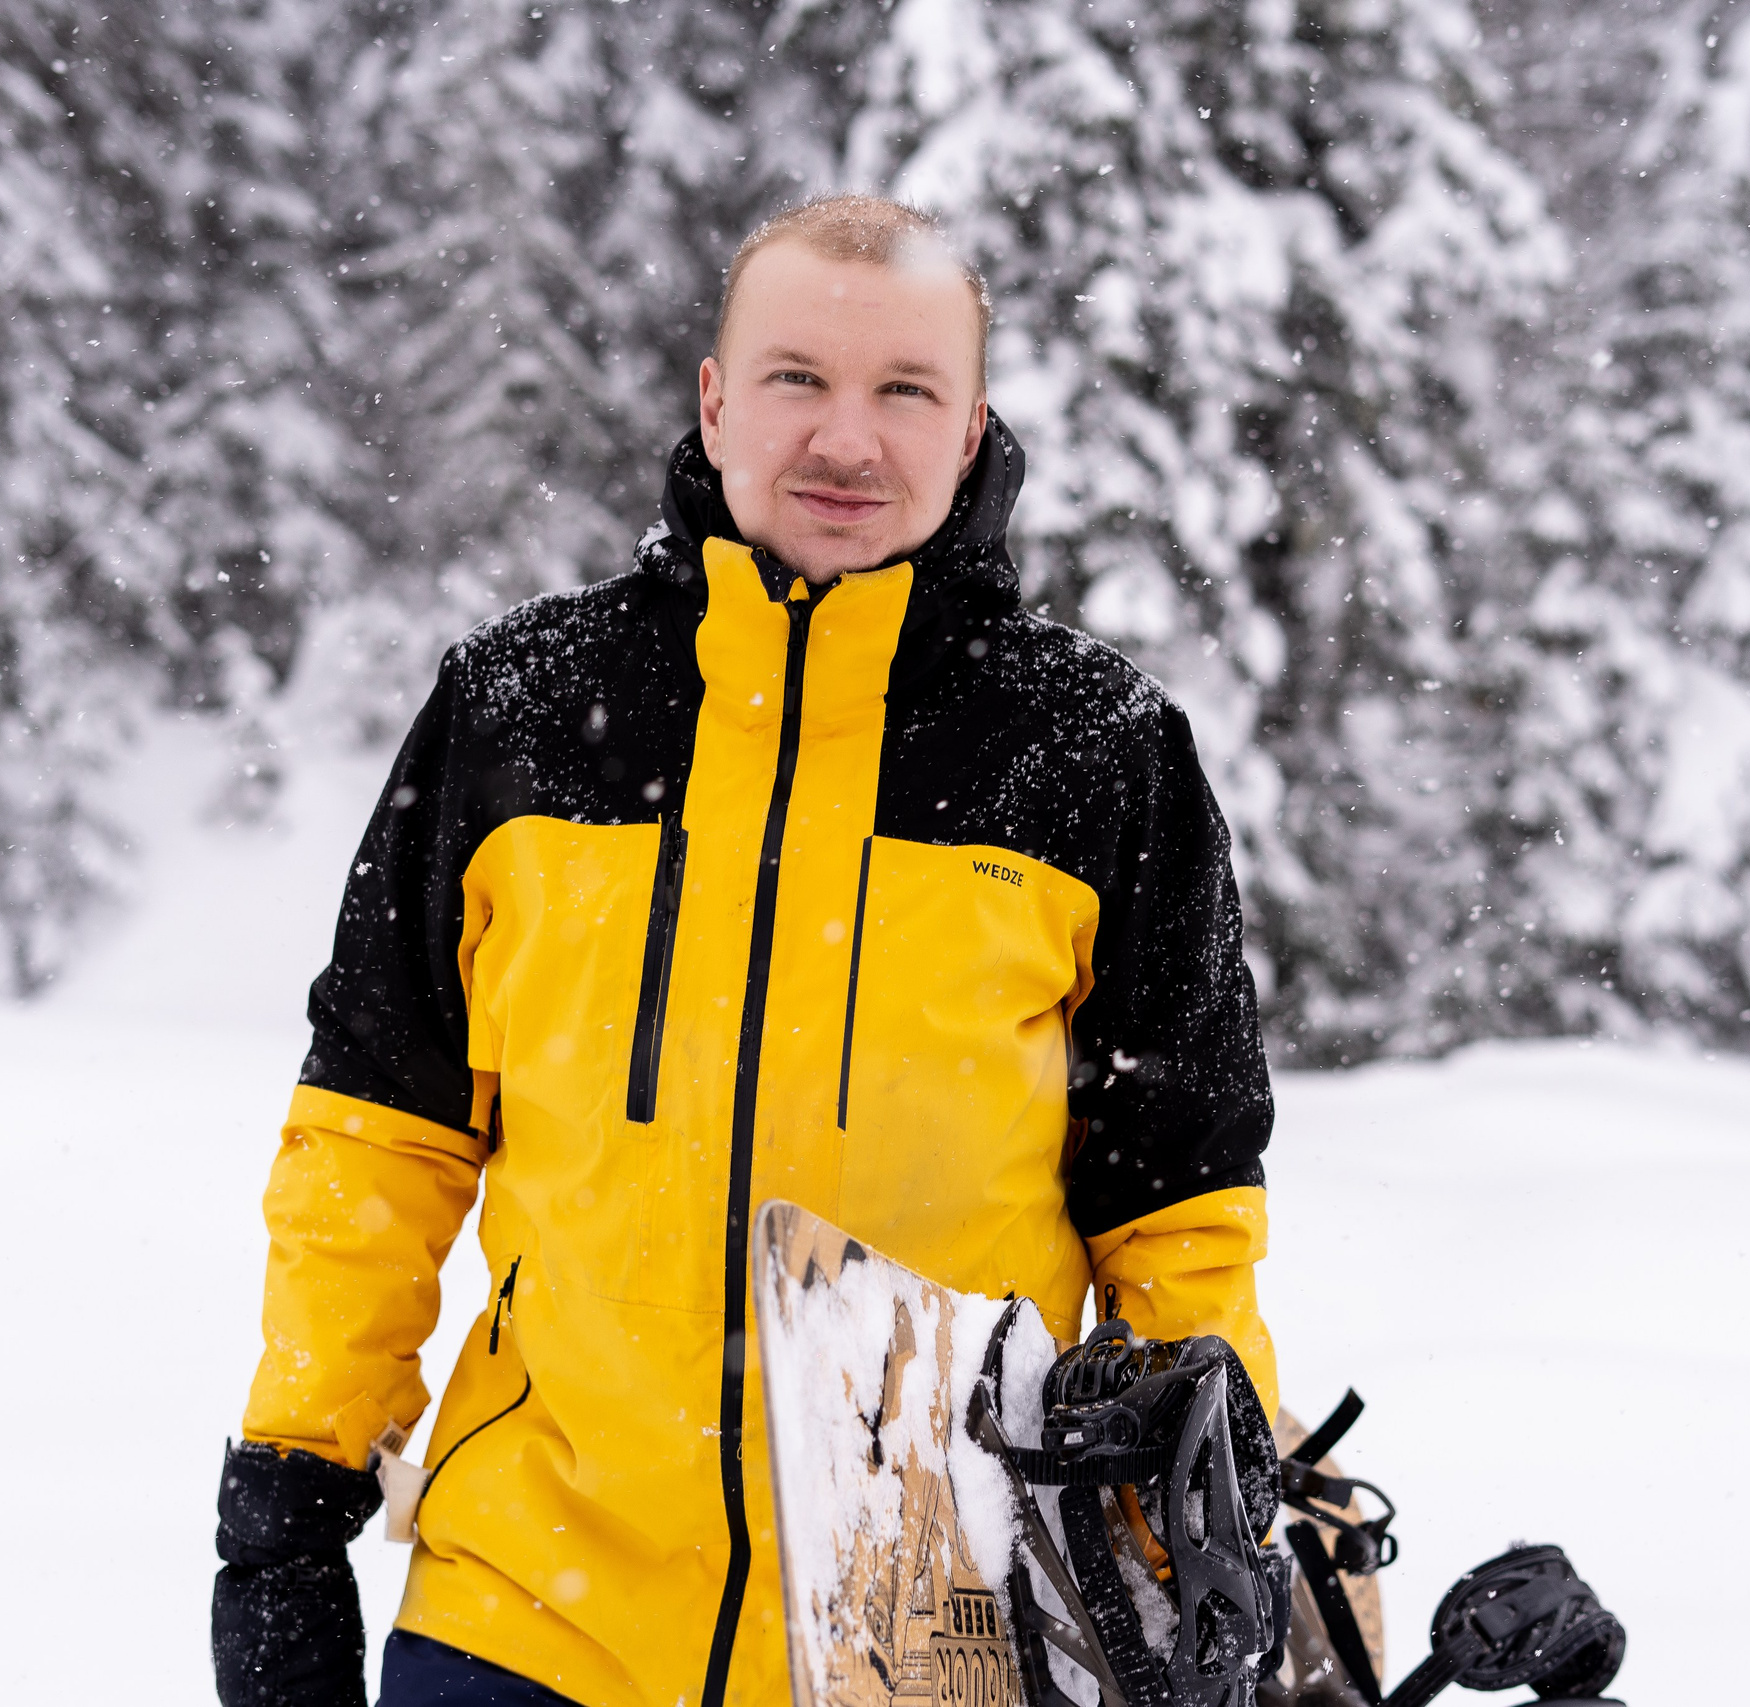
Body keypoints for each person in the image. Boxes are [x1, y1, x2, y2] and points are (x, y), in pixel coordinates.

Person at [211, 194, 1279, 1707]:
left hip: (936, 1629)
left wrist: (1207, 1529)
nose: (848, 440)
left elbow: (1181, 1214)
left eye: (905, 391)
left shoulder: (1098, 755)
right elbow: (378, 1137)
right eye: (797, 380)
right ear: (715, 402)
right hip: (529, 1618)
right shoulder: (522, 706)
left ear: (973, 425)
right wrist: (290, 1501)